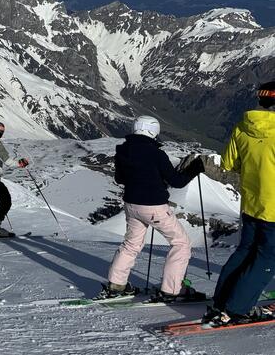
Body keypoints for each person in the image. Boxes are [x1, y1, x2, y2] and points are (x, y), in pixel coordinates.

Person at [97, 115, 205, 301]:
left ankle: (116, 285)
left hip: (131, 205)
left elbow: (120, 179)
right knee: (181, 244)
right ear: (154, 131)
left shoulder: (122, 151)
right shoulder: (156, 153)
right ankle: (172, 290)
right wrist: (195, 168)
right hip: (154, 207)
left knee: (131, 244)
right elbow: (177, 182)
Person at [206, 81, 275, 326]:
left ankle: (221, 302)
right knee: (267, 258)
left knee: (245, 251)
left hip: (250, 205)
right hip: (274, 209)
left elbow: (228, 163)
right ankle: (237, 309)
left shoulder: (243, 127)